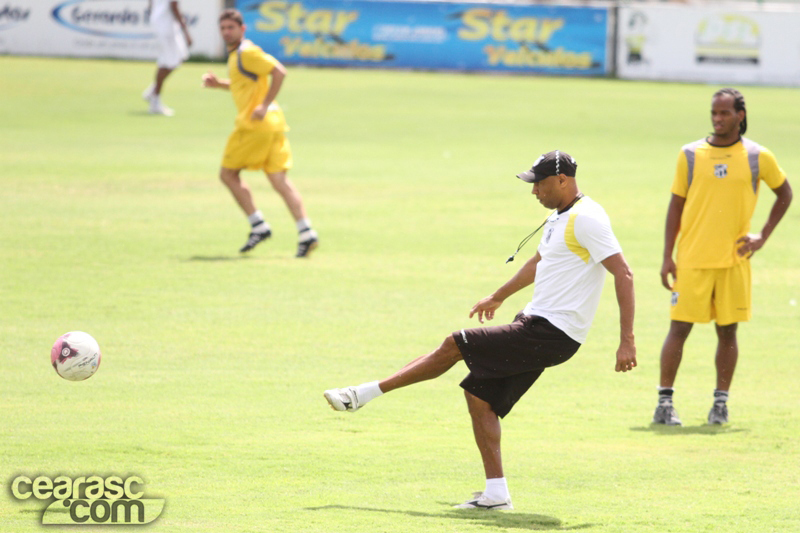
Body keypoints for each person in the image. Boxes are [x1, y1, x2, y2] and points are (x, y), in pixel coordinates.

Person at [324, 150, 637, 510]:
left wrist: (626, 341)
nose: (534, 192)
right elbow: (539, 262)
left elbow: (624, 273)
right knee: (480, 398)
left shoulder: (588, 219)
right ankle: (496, 495)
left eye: (539, 184)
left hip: (553, 332)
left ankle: (362, 395)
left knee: (455, 343)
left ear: (563, 180)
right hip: (535, 323)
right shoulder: (559, 219)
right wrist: (498, 296)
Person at [653, 88, 793, 426]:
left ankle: (720, 404)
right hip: (692, 260)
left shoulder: (758, 156)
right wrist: (667, 256)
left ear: (740, 116)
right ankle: (664, 403)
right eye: (714, 113)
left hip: (734, 261)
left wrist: (763, 236)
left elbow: (785, 193)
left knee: (728, 333)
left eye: (725, 113)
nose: (718, 119)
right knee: (679, 328)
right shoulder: (690, 154)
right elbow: (676, 205)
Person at [202, 9, 318, 257]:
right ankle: (306, 232)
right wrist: (219, 84)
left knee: (227, 174)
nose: (226, 32)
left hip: (255, 126)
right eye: (222, 28)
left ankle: (258, 224)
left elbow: (279, 71)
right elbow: (244, 84)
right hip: (273, 124)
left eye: (230, 28)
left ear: (242, 29)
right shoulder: (238, 56)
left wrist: (263, 105)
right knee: (279, 181)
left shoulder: (247, 52)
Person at [143, 0, 192, 116]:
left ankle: (152, 92)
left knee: (178, 57)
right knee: (166, 62)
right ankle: (154, 100)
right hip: (165, 26)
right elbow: (174, 5)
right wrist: (186, 31)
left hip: (164, 24)